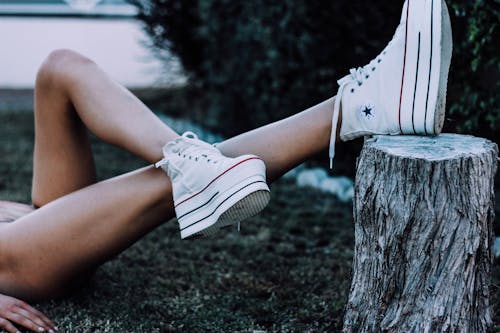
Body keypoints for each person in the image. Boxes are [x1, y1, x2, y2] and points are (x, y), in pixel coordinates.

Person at [0, 0, 452, 331]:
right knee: (158, 189)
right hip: (8, 259)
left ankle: (192, 161)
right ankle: (361, 108)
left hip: (23, 218)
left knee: (60, 68)